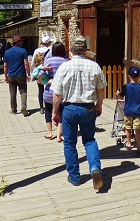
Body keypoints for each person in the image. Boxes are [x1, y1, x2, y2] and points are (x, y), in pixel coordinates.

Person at [51, 36, 107, 191]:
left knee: (69, 143)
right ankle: (95, 168)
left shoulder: (64, 67)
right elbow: (101, 89)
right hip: (88, 107)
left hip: (69, 108)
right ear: (85, 49)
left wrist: (55, 112)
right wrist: (99, 105)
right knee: (89, 140)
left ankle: (74, 177)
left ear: (71, 49)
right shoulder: (94, 66)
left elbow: (57, 94)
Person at [41, 42, 68, 142]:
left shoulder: (49, 61)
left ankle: (49, 133)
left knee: (48, 111)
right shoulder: (66, 61)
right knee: (61, 112)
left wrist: (48, 81)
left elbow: (40, 74)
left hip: (49, 91)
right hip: (62, 92)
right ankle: (58, 135)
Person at [116, 66, 140, 154]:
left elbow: (121, 95)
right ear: (138, 76)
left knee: (128, 128)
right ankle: (139, 146)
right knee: (137, 128)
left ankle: (129, 143)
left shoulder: (126, 87)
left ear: (129, 76)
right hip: (137, 111)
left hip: (128, 111)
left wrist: (118, 93)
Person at [4, 35, 31, 117]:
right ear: (17, 42)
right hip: (21, 75)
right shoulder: (23, 51)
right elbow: (26, 64)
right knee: (23, 91)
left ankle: (13, 109)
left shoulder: (7, 52)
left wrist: (5, 76)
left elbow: (5, 66)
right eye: (21, 41)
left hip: (11, 75)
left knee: (12, 93)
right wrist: (28, 74)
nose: (22, 42)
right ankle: (23, 108)